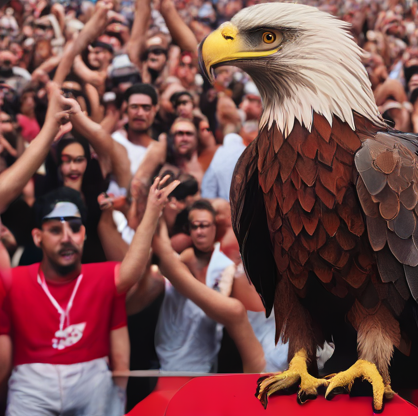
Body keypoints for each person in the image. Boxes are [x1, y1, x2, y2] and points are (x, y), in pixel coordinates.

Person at [0, 177, 180, 416]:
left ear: (83, 234)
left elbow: (133, 269)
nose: (67, 238)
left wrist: (152, 212)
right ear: (37, 237)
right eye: (55, 230)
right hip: (32, 383)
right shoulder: (13, 279)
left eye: (74, 229)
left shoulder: (101, 274)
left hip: (91, 380)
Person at [155, 199, 263, 373]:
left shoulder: (226, 266)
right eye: (195, 226)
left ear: (214, 228)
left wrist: (179, 275)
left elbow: (220, 309)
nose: (200, 232)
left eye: (204, 226)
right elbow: (161, 258)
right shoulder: (178, 260)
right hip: (169, 356)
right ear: (188, 229)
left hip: (205, 357)